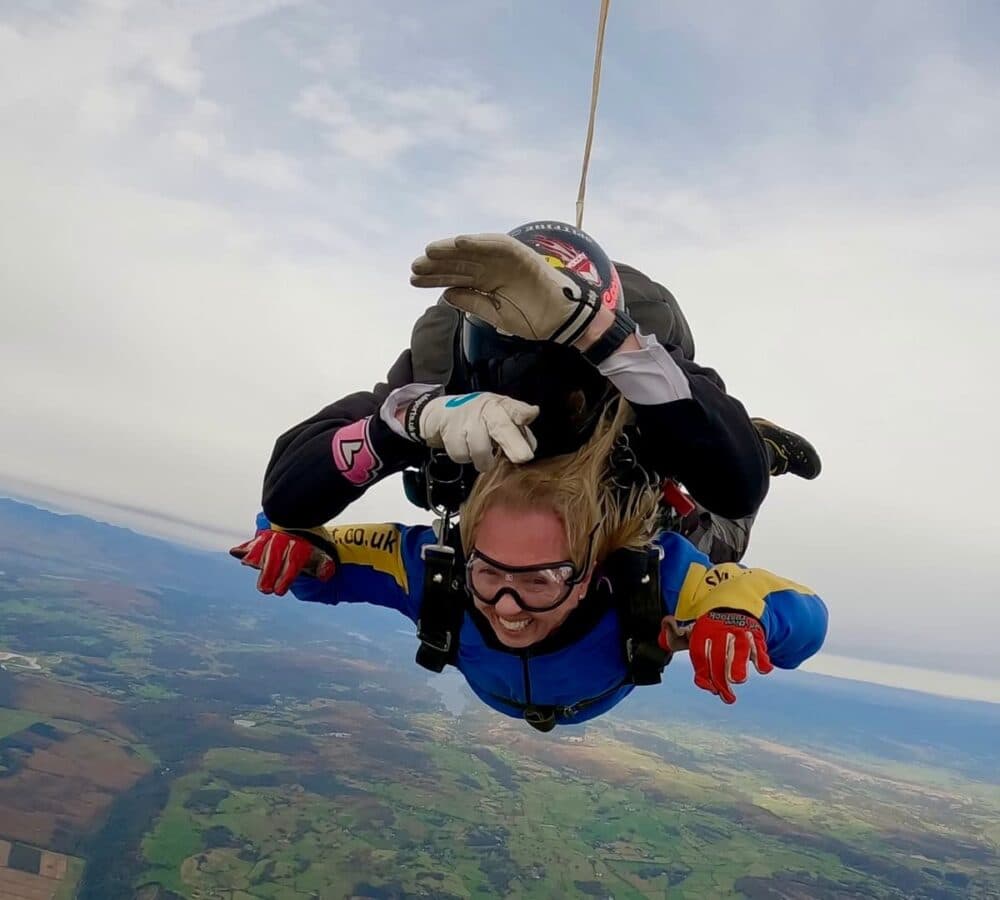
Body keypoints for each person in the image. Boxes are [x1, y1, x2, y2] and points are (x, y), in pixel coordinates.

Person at [233, 399, 828, 732]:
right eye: (489, 574)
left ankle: (753, 445)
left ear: (590, 571)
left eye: (539, 580)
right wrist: (293, 550)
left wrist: (741, 616)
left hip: (632, 533)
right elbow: (306, 539)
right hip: (591, 647)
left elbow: (804, 622)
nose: (506, 607)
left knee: (720, 531)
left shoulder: (656, 581)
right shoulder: (435, 570)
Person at [262, 221, 820, 565]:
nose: (538, 415)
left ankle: (760, 440)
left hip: (620, 484)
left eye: (566, 388)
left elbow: (736, 488)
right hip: (493, 499)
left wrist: (601, 335)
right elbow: (287, 496)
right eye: (512, 371)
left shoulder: (644, 351)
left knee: (701, 540)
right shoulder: (440, 367)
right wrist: (410, 421)